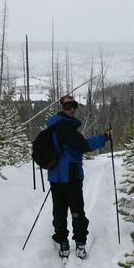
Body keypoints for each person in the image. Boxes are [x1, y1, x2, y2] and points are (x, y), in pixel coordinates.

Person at [46, 95, 113, 259]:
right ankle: (80, 244)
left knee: (59, 212)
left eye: (74, 105)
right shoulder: (65, 126)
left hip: (55, 176)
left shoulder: (53, 125)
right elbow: (84, 145)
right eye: (68, 106)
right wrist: (105, 136)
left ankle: (63, 243)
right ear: (62, 107)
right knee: (77, 211)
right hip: (71, 175)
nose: (72, 109)